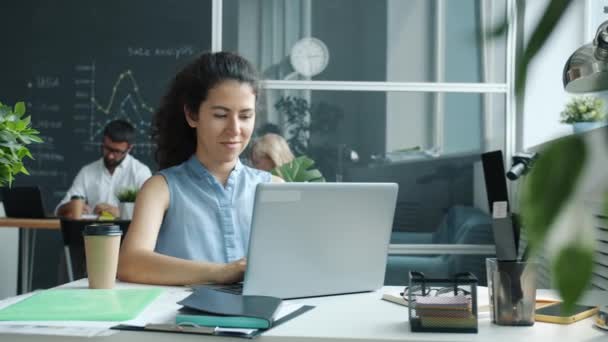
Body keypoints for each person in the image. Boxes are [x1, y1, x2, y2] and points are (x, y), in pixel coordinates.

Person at [117, 52, 282, 286]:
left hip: (261, 319)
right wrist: (222, 272)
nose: (235, 129)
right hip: (180, 320)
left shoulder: (273, 188)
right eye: (220, 115)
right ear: (192, 115)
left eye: (245, 116)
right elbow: (130, 263)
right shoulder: (161, 189)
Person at [55, 120, 152, 219]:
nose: (110, 156)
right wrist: (71, 206)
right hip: (91, 233)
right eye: (107, 148)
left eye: (117, 151)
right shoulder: (87, 172)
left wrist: (120, 213)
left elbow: (151, 214)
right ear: (103, 142)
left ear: (129, 148)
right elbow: (58, 211)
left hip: (128, 233)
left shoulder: (140, 173)